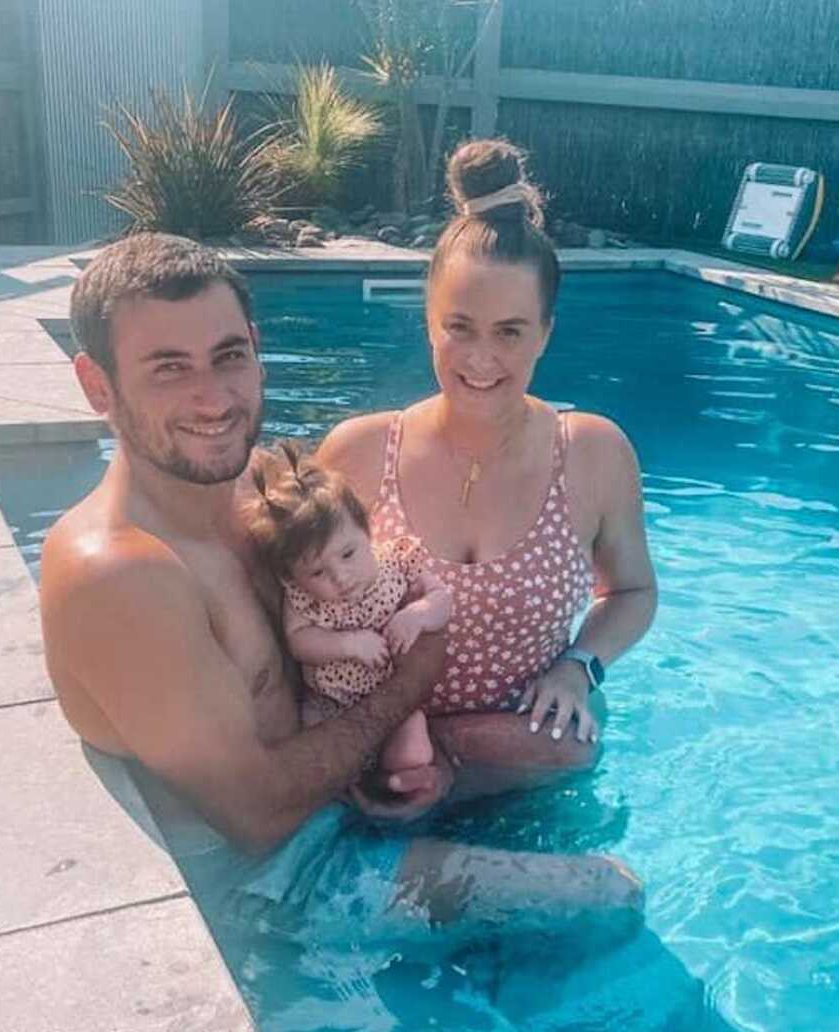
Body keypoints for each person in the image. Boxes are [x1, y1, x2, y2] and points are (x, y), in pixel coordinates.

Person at [40, 230, 641, 941]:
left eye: (228, 356)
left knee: (567, 755)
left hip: (346, 797)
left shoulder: (260, 499)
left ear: (257, 350)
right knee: (613, 896)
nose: (211, 398)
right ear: (96, 385)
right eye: (168, 368)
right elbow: (257, 816)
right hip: (285, 878)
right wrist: (410, 683)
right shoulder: (119, 571)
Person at [318, 138, 658, 803]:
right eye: (460, 327)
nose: (480, 358)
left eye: (509, 331)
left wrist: (577, 668)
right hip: (384, 757)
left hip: (520, 756)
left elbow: (633, 592)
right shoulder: (358, 453)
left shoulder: (593, 453)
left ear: (546, 332)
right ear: (428, 323)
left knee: (574, 756)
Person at [244, 442, 452, 779]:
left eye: (347, 554)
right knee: (314, 757)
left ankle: (396, 779)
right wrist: (348, 644)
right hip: (328, 706)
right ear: (290, 576)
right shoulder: (301, 597)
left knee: (414, 751)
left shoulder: (397, 560)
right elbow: (299, 641)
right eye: (317, 572)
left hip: (396, 701)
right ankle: (347, 787)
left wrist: (418, 614)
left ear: (366, 530)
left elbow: (443, 598)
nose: (340, 577)